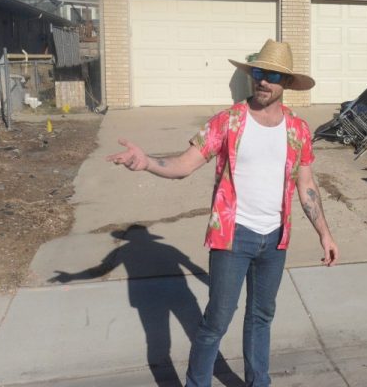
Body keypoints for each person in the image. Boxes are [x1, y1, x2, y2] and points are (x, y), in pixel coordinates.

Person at [106, 39, 339, 387]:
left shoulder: (298, 129)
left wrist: (324, 232)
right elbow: (185, 165)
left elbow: (305, 183)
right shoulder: (228, 121)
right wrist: (148, 163)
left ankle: (258, 382)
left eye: (273, 75)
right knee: (216, 320)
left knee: (261, 316)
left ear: (286, 83)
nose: (263, 81)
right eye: (259, 72)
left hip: (276, 238)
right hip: (233, 236)